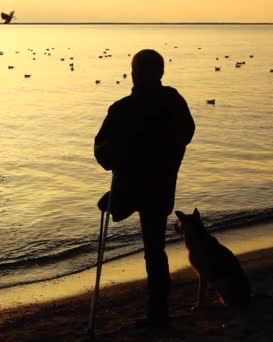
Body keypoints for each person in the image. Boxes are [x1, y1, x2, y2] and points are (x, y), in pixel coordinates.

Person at [94, 49, 195, 328]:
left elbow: (102, 154)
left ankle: (157, 314)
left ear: (133, 72)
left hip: (129, 187)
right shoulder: (173, 101)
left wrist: (121, 157)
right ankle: (158, 313)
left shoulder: (122, 109)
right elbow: (187, 133)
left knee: (151, 247)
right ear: (161, 73)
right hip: (161, 187)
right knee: (155, 250)